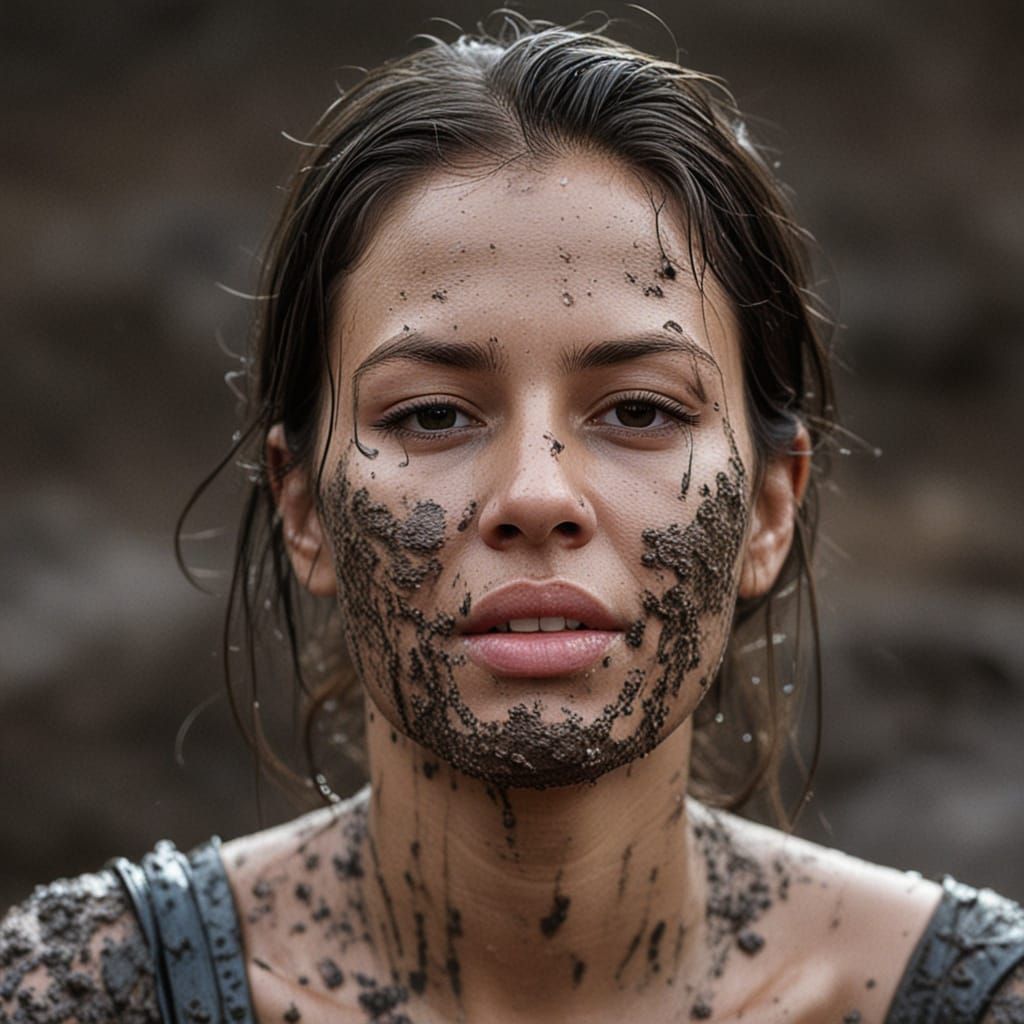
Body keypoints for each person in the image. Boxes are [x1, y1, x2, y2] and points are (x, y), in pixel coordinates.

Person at [3, 17, 1023, 1024]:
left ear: (768, 506)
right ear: (303, 508)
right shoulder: (89, 992)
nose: (537, 496)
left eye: (639, 411)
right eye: (432, 415)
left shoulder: (967, 999)